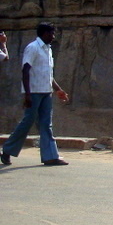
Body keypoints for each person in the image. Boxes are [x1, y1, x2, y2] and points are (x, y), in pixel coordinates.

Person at [1, 23, 70, 166]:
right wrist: (27, 94)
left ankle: (50, 156)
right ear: (44, 34)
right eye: (51, 34)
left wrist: (58, 90)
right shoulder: (33, 48)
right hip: (34, 92)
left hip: (46, 92)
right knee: (27, 122)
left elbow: (48, 75)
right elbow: (25, 70)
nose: (53, 37)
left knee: (46, 124)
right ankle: (7, 150)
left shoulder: (48, 50)